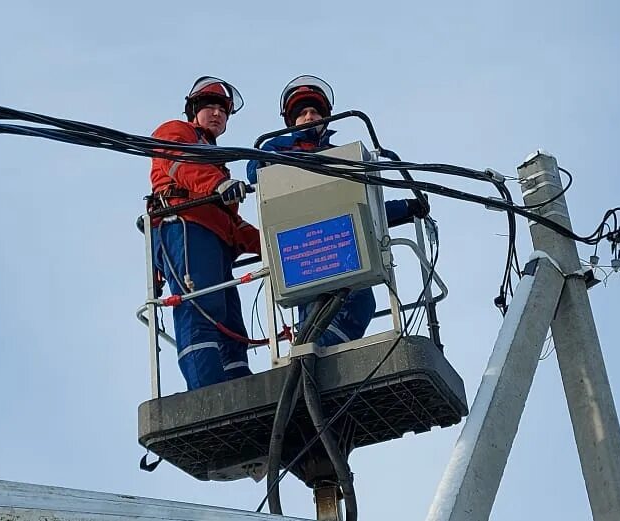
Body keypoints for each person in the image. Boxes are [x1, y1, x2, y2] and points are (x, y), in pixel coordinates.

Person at [246, 75, 428, 348]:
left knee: (361, 302)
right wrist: (307, 161)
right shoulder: (277, 148)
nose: (309, 117)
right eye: (302, 113)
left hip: (343, 241)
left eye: (314, 112)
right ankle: (312, 353)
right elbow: (253, 170)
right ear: (291, 121)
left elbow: (368, 209)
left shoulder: (342, 156)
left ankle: (319, 353)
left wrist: (407, 207)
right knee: (314, 308)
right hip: (304, 246)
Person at [147, 76, 259, 391]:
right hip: (185, 229)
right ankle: (208, 391)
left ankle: (238, 383)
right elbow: (180, 162)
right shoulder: (177, 133)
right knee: (200, 309)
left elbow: (231, 224)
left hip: (216, 243)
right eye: (208, 107)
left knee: (230, 323)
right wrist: (216, 185)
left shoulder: (218, 166)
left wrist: (277, 244)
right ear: (193, 111)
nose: (216, 114)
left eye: (222, 110)